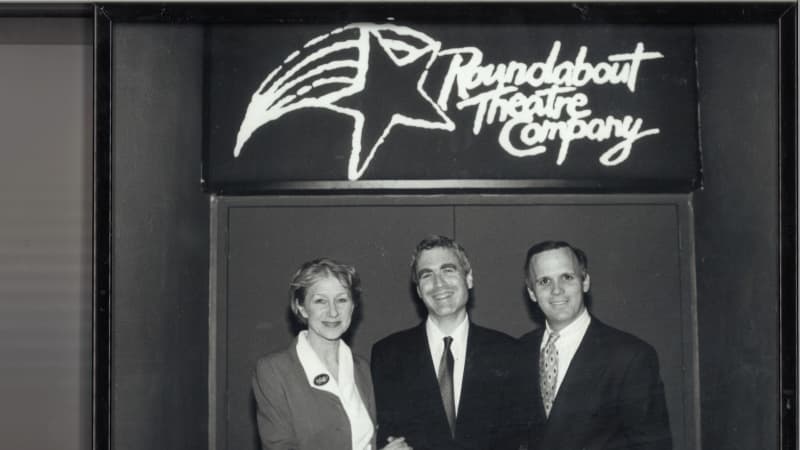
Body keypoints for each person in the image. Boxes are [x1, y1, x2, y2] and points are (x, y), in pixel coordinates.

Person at [518, 240, 672, 450]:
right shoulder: (519, 351)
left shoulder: (630, 356)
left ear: (585, 282)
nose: (557, 290)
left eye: (567, 277)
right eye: (545, 281)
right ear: (532, 293)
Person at [370, 235, 521, 450]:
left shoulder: (507, 352)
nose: (438, 283)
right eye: (426, 275)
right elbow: (383, 434)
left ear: (469, 279)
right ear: (419, 290)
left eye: (448, 270)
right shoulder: (388, 354)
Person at [252, 258, 411, 450]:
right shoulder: (273, 370)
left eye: (342, 300)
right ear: (301, 307)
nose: (333, 312)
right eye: (320, 301)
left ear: (352, 306)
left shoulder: (363, 369)